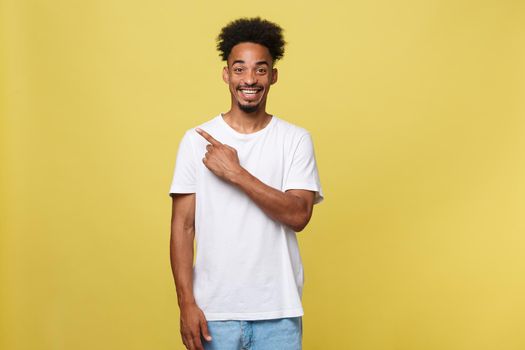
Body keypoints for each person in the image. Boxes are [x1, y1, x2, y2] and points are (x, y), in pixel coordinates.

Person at [168, 17, 324, 350]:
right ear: (226, 74)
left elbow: (299, 215)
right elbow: (182, 227)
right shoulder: (195, 141)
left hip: (278, 314)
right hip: (213, 313)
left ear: (273, 76)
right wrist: (186, 304)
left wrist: (235, 173)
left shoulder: (294, 139)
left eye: (260, 69)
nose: (249, 79)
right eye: (239, 69)